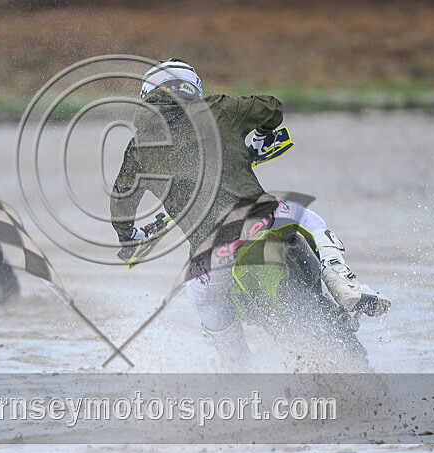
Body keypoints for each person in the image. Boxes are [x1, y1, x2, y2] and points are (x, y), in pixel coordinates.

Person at [110, 58, 391, 366]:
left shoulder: (137, 148)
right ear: (193, 88)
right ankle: (343, 282)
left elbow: (121, 202)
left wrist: (129, 236)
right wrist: (258, 139)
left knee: (202, 298)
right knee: (309, 218)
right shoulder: (218, 109)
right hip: (257, 216)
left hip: (209, 252)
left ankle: (236, 363)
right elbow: (272, 108)